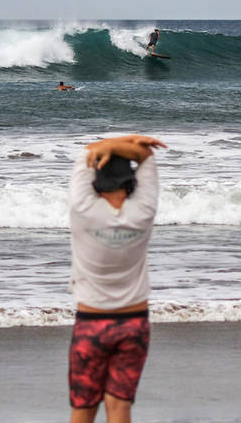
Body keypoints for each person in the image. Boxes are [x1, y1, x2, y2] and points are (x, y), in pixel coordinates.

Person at [68, 134, 166, 423]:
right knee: (120, 406)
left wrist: (113, 143)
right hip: (134, 323)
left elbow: (87, 152)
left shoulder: (83, 209)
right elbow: (147, 156)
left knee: (83, 407)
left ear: (97, 184)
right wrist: (129, 142)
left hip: (91, 324)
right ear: (130, 183)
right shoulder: (143, 212)